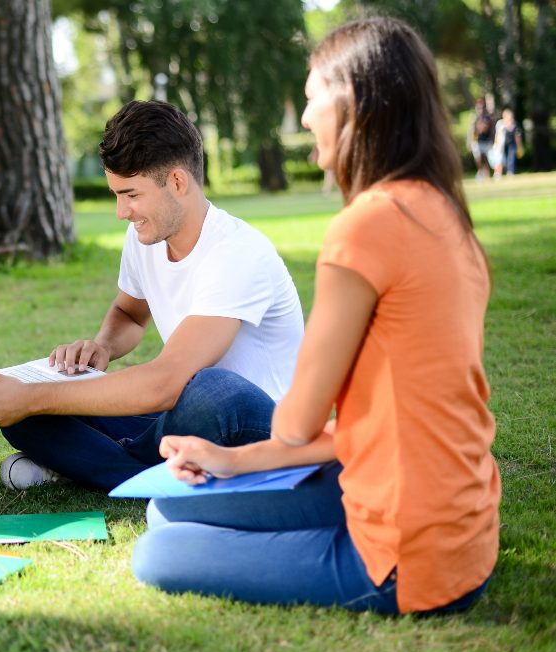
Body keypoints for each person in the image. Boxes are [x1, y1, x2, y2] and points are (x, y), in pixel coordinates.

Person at [133, 17, 499, 616]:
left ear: (353, 103)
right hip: (461, 521)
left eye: (310, 100)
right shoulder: (445, 215)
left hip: (410, 556)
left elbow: (297, 424)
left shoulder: (365, 228)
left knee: (157, 553)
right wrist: (229, 459)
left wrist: (245, 458)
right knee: (167, 505)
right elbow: (373, 425)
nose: (304, 119)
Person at [0, 100, 305, 492]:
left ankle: (111, 468)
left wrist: (36, 396)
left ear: (177, 182)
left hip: (252, 422)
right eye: (116, 194)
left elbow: (166, 383)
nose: (121, 212)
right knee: (24, 416)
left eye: (130, 194)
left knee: (212, 389)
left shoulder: (238, 252)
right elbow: (129, 315)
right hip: (175, 416)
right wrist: (102, 348)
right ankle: (154, 473)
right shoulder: (145, 236)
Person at [468, 97, 496, 181]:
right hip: (477, 141)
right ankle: (480, 172)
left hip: (486, 141)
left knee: (487, 159)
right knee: (478, 158)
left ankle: (487, 174)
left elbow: (488, 128)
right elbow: (471, 130)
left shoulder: (487, 117)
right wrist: (470, 141)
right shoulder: (474, 117)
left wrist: (492, 139)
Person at [493, 108, 524, 178]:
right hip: (503, 145)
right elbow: (497, 135)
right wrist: (496, 144)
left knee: (511, 157)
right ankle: (500, 172)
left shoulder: (515, 125)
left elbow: (517, 137)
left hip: (512, 144)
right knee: (502, 159)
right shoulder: (500, 124)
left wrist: (519, 146)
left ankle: (510, 171)